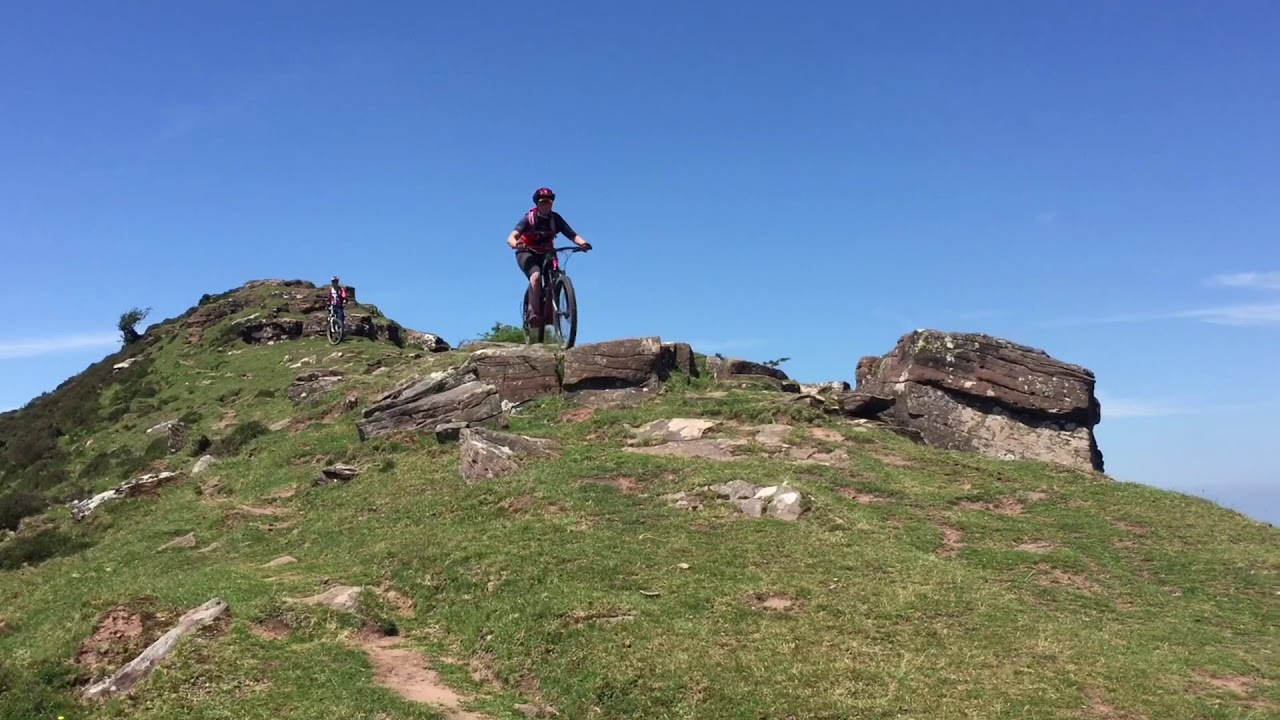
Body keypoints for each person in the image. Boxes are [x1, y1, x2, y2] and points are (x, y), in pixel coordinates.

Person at [506, 187, 591, 325]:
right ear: (537, 204)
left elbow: (571, 234)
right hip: (527, 251)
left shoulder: (555, 219)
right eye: (542, 202)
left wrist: (583, 243)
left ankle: (551, 313)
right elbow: (511, 237)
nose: (545, 205)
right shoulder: (529, 219)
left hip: (547, 252)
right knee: (536, 277)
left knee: (555, 275)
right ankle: (533, 314)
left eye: (548, 202)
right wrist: (515, 244)